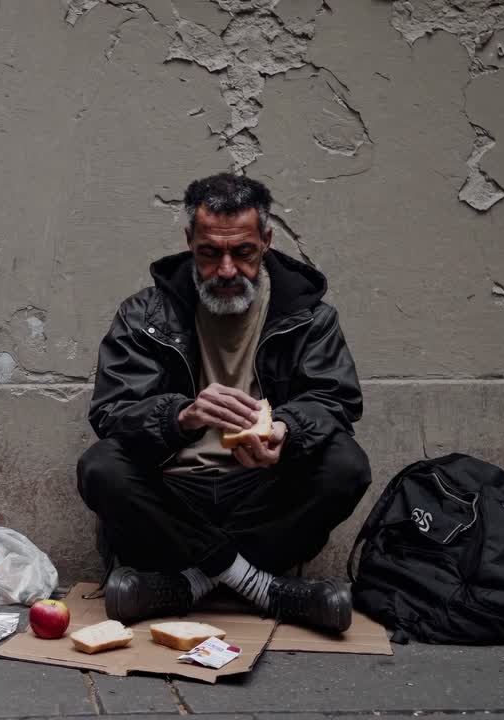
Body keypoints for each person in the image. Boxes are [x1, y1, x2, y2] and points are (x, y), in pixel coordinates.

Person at [77, 173, 370, 634]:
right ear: (189, 241)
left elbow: (335, 400)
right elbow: (111, 411)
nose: (228, 269)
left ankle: (187, 584)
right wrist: (181, 416)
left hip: (262, 493)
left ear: (266, 241)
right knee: (101, 468)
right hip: (174, 496)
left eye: (244, 252)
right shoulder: (146, 313)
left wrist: (287, 430)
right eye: (211, 253)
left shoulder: (308, 314)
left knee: (346, 464)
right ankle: (257, 586)